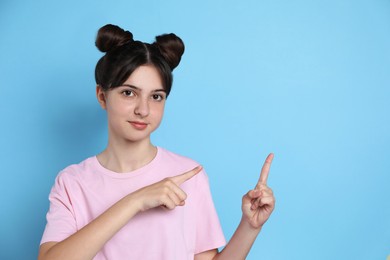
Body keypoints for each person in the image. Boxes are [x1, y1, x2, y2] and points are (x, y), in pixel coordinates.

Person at [38, 24, 275, 260]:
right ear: (102, 96)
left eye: (156, 97)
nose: (143, 109)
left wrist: (250, 226)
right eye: (128, 93)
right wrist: (135, 201)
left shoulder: (188, 175)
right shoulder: (72, 182)